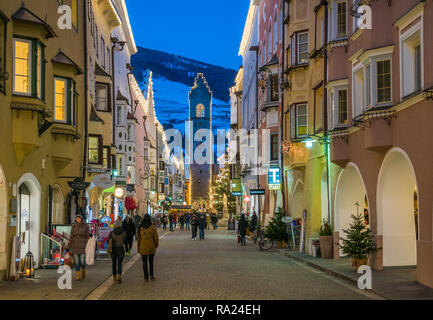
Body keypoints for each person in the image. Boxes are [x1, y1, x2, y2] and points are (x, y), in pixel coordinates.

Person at [137, 214, 159, 282]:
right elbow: (156, 238)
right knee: (151, 261)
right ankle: (151, 275)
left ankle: (146, 277)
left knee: (144, 262)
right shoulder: (152, 227)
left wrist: (138, 248)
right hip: (151, 246)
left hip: (143, 247)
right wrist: (156, 245)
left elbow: (138, 239)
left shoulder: (141, 227)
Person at [68, 215, 89, 280]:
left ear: (81, 219)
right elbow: (71, 236)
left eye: (79, 218)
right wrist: (69, 245)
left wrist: (88, 241)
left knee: (82, 261)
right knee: (77, 261)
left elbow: (87, 235)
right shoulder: (73, 226)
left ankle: (83, 271)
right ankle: (78, 275)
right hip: (75, 245)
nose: (78, 219)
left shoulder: (86, 226)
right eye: (77, 218)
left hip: (83, 245)